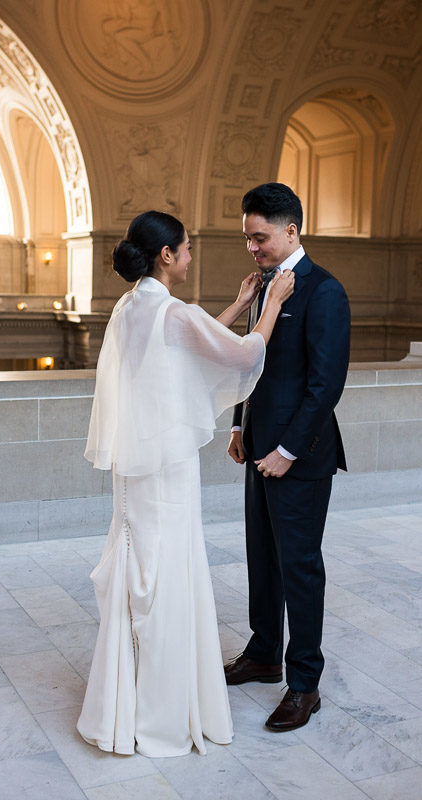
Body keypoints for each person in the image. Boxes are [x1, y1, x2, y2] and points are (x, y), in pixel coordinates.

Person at [77, 210, 294, 757]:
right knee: (169, 570)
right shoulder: (173, 312)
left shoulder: (131, 307)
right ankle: (165, 709)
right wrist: (269, 306)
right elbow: (241, 355)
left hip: (134, 471)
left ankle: (125, 700)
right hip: (168, 466)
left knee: (139, 570)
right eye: (188, 248)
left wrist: (240, 304)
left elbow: (186, 343)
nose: (193, 255)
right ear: (166, 255)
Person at [224, 183, 351, 732]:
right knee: (262, 557)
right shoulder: (262, 287)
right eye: (248, 238)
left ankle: (303, 683)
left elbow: (326, 386)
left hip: (299, 455)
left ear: (291, 230)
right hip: (255, 446)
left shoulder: (324, 291)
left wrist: (287, 450)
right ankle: (264, 652)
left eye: (261, 237)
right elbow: (248, 362)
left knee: (299, 567)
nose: (253, 247)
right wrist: (238, 423)